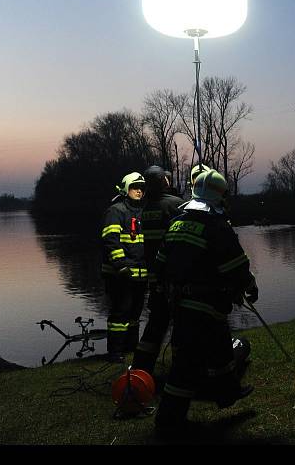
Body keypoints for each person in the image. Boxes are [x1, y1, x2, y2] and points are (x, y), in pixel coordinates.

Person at [154, 166, 258, 437]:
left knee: (221, 345)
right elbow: (236, 264)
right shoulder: (216, 225)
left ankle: (228, 393)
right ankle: (168, 421)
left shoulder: (177, 221)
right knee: (185, 366)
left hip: (181, 300)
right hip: (204, 302)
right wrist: (249, 285)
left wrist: (163, 289)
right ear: (220, 197)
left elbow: (161, 262)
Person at [132, 165, 184, 374]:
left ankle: (141, 367)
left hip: (154, 277)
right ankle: (181, 367)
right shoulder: (175, 205)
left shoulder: (144, 210)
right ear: (164, 182)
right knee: (181, 321)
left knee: (156, 323)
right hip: (175, 276)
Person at [100, 172, 148, 362]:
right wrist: (120, 265)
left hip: (140, 273)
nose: (139, 191)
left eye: (142, 188)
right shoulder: (116, 211)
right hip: (120, 274)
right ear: (126, 189)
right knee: (120, 313)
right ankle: (115, 353)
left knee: (135, 313)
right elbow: (110, 240)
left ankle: (131, 349)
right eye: (135, 187)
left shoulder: (143, 212)